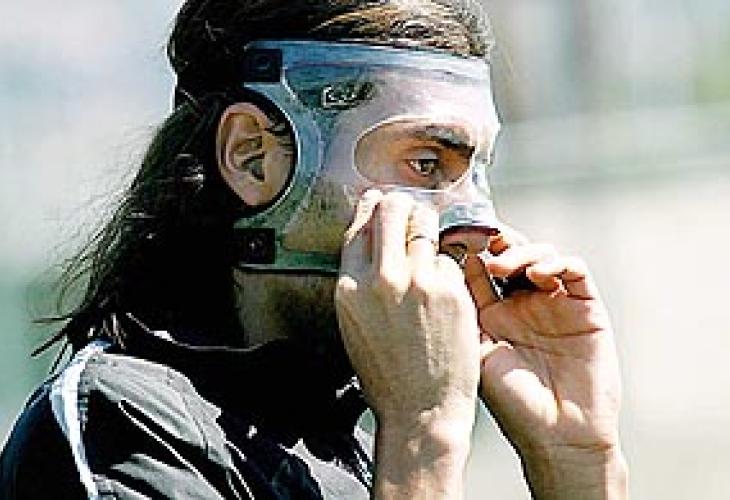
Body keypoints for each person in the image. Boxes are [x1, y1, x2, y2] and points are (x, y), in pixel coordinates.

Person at [0, 0, 628, 498]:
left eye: (477, 172)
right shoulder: (120, 425)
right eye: (425, 163)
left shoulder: (336, 436)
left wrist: (576, 462)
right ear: (253, 157)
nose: (479, 225)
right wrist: (422, 438)